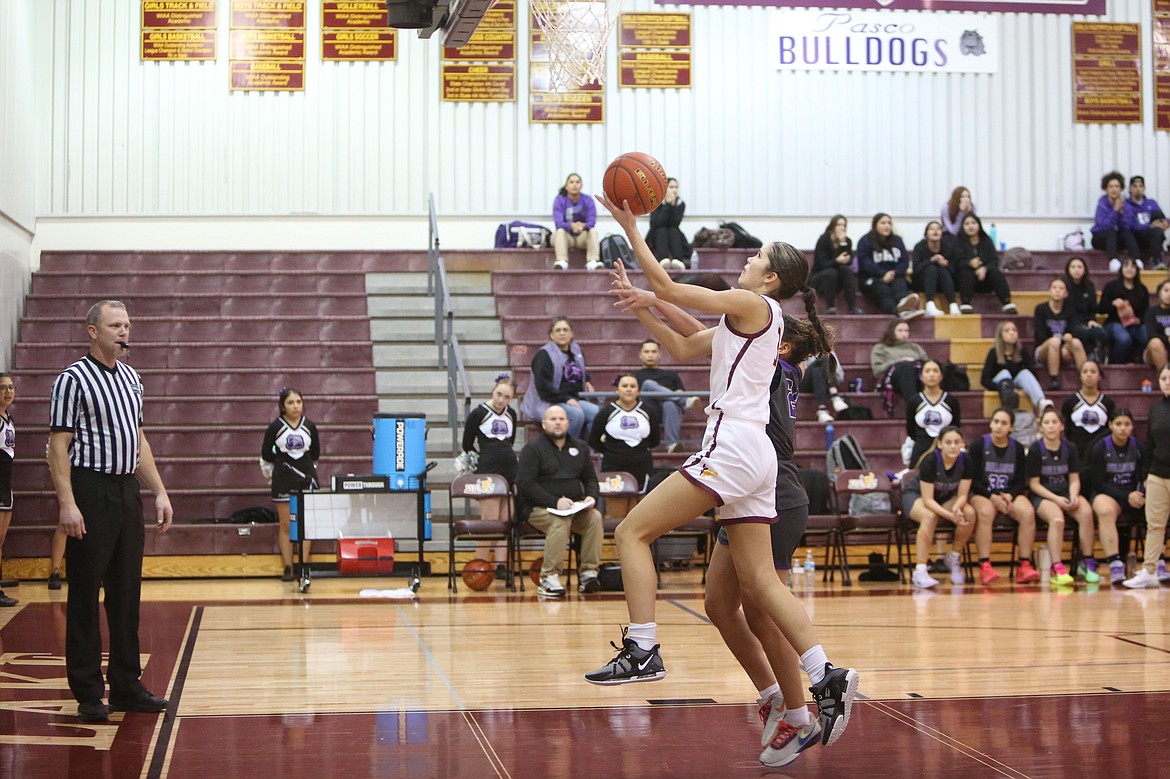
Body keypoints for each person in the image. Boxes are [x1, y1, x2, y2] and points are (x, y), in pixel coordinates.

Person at [589, 192, 858, 751]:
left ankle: (642, 647)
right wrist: (642, 304)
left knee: (631, 531)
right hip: (758, 457)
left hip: (733, 445)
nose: (747, 259)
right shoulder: (756, 321)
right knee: (758, 585)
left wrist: (631, 229)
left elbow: (671, 288)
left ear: (771, 279)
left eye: (757, 256)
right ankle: (825, 674)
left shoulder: (752, 303)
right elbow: (685, 344)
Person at [47, 300, 173, 724]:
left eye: (127, 325)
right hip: (90, 488)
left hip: (125, 491)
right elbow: (57, 447)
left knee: (126, 592)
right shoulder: (72, 379)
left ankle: (126, 684)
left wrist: (158, 491)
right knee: (84, 592)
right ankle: (86, 689)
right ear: (92, 331)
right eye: (115, 325)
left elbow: (139, 440)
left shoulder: (133, 380)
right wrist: (67, 502)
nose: (124, 332)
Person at [515, 404, 603, 597]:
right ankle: (549, 577)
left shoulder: (579, 447)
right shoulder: (533, 448)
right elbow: (525, 484)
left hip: (573, 509)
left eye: (562, 419)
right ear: (544, 424)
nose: (558, 422)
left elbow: (590, 478)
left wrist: (591, 496)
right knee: (559, 520)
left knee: (594, 517)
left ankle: (589, 573)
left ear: (568, 423)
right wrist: (554, 502)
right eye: (553, 419)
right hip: (537, 509)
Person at [968, 408, 1042, 585]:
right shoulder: (979, 445)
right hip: (982, 492)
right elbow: (972, 480)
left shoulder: (1016, 448)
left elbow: (1020, 480)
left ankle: (1024, 564)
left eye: (1004, 423)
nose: (999, 426)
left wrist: (1010, 495)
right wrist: (991, 496)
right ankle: (985, 565)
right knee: (985, 512)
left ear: (1011, 428)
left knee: (1027, 512)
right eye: (996, 422)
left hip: (1008, 493)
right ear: (990, 424)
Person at [1026, 407, 1098, 585]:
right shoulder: (1036, 449)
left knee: (1086, 512)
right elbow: (1034, 484)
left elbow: (1074, 478)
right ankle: (1057, 567)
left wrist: (1073, 495)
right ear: (1041, 427)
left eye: (1054, 422)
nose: (1050, 426)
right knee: (1057, 519)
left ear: (1062, 426)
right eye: (1046, 423)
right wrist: (1056, 499)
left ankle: (1087, 561)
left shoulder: (1070, 448)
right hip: (1044, 495)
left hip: (1065, 492)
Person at [904, 427, 977, 589]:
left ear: (962, 444)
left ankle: (953, 556)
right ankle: (920, 570)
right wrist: (950, 516)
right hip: (917, 496)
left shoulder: (966, 461)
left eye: (957, 442)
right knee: (929, 516)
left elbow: (963, 495)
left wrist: (957, 508)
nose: (953, 446)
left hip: (946, 498)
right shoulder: (930, 461)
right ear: (940, 445)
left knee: (969, 513)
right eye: (948, 442)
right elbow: (928, 500)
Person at [260, 388, 320, 582]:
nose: (295, 406)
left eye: (298, 402)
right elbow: (267, 454)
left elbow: (316, 453)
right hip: (283, 478)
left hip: (307, 477)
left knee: (305, 524)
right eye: (291, 402)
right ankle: (287, 567)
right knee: (286, 525)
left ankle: (303, 566)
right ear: (282, 406)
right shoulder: (275, 427)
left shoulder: (310, 426)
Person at [1086, 408, 1145, 584]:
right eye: (1118, 424)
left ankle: (1157, 562)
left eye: (1127, 424)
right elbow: (1098, 483)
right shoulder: (1100, 448)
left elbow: (1143, 476)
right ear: (1111, 425)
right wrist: (1126, 496)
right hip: (1108, 494)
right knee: (1104, 510)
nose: (1123, 428)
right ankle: (1115, 563)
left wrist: (1139, 493)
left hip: (1133, 494)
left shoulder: (1139, 447)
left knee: (1157, 506)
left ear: (1132, 426)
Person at [1125, 363, 1170, 588]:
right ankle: (1149, 570)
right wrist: (1146, 475)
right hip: (1158, 474)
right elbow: (1149, 445)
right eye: (1163, 378)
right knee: (1154, 524)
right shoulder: (1156, 409)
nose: (1167, 382)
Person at [518, 316, 598, 439]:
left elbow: (577, 370)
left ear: (571, 333)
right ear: (551, 335)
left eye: (565, 330)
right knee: (576, 415)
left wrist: (587, 380)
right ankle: (564, 448)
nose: (562, 333)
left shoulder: (576, 350)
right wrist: (565, 399)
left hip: (572, 399)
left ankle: (586, 450)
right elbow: (543, 387)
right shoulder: (544, 355)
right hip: (547, 401)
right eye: (558, 330)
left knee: (596, 413)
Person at [588, 373, 661, 495]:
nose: (628, 389)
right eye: (624, 386)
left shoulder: (648, 411)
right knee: (615, 512)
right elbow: (593, 440)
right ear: (617, 390)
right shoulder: (606, 412)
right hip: (613, 466)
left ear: (638, 390)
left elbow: (655, 440)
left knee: (640, 510)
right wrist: (612, 451)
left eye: (632, 386)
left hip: (642, 466)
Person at [460, 375, 518, 521]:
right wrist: (482, 462)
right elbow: (467, 444)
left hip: (510, 470)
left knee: (506, 526)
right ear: (493, 390)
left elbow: (510, 441)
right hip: (488, 470)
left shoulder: (511, 414)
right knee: (490, 525)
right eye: (499, 394)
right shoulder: (478, 414)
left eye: (507, 397)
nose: (501, 400)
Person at [632, 339, 697, 454]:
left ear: (659, 355)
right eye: (646, 352)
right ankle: (685, 401)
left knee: (670, 404)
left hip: (670, 412)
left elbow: (680, 391)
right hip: (647, 409)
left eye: (653, 352)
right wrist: (680, 396)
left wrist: (679, 394)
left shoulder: (671, 375)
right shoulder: (634, 376)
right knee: (648, 383)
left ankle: (671, 444)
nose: (650, 355)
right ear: (640, 355)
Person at [856, 213, 921, 320]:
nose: (887, 226)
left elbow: (904, 261)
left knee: (900, 285)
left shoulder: (897, 240)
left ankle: (905, 306)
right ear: (875, 225)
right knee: (883, 290)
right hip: (872, 278)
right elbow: (864, 263)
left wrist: (894, 273)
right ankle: (898, 311)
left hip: (895, 276)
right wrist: (882, 274)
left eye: (889, 223)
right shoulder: (865, 241)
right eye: (883, 223)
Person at [980, 320, 1050, 412]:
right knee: (1005, 373)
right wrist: (1004, 387)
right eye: (1007, 330)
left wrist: (1019, 388)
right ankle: (1009, 403)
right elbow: (984, 380)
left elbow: (1032, 374)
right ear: (1000, 335)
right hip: (1000, 385)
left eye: (1014, 330)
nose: (1012, 333)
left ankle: (1041, 402)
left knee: (1025, 373)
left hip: (1015, 385)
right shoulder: (994, 352)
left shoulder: (1022, 351)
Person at [953, 214, 1016, 314]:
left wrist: (985, 268)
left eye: (973, 223)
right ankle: (965, 303)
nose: (970, 226)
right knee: (965, 271)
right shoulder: (957, 241)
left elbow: (994, 260)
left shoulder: (986, 240)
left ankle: (1006, 303)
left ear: (979, 225)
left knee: (995, 272)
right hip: (964, 281)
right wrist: (969, 263)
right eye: (967, 224)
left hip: (984, 279)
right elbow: (956, 261)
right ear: (962, 227)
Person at [1033, 277, 1088, 391]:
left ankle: (1086, 377)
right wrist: (1060, 340)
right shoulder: (1041, 309)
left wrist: (1067, 341)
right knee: (1055, 342)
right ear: (1049, 291)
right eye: (1054, 288)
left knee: (1076, 342)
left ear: (1066, 293)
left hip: (1063, 349)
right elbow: (1039, 337)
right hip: (1044, 349)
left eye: (1061, 288)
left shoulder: (1070, 310)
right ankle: (1054, 379)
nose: (1057, 291)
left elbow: (1073, 331)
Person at [905, 360, 962, 469]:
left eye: (935, 371)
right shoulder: (914, 401)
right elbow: (910, 430)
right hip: (921, 447)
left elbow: (956, 427)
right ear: (921, 377)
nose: (931, 374)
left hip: (946, 448)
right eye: (927, 371)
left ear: (941, 376)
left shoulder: (951, 401)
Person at [1060, 360, 1114, 468]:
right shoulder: (1070, 402)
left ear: (1099, 376)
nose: (1089, 375)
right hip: (1077, 453)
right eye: (1085, 372)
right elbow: (1066, 429)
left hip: (1100, 454)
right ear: (1080, 376)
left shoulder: (1107, 403)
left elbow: (1111, 429)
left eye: (1093, 371)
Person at [870, 319, 929, 416]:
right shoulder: (881, 348)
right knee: (907, 367)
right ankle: (915, 405)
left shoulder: (915, 347)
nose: (904, 334)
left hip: (917, 376)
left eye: (906, 331)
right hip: (893, 378)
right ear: (892, 332)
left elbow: (927, 363)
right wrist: (900, 361)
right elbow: (877, 371)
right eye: (900, 330)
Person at [1097, 258, 1149, 364]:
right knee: (1124, 339)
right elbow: (1101, 309)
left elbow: (1146, 311)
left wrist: (1139, 320)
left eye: (1133, 266)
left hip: (1136, 324)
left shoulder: (1142, 289)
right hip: (1114, 322)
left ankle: (1141, 362)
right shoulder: (1111, 286)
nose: (1129, 269)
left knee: (1147, 336)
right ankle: (1114, 364)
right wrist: (1113, 304)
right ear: (1121, 269)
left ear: (1137, 270)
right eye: (1126, 266)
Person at [1060, 256, 1109, 364]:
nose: (1076, 270)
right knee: (1082, 332)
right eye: (1073, 267)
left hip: (1086, 321)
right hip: (1070, 322)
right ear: (1068, 269)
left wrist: (1092, 320)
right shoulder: (1063, 286)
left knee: (1103, 333)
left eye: (1079, 267)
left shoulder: (1089, 286)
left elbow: (1093, 308)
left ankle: (1100, 356)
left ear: (1085, 269)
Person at [810, 215, 860, 315]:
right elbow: (820, 263)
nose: (842, 227)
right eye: (839, 225)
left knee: (846, 270)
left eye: (844, 225)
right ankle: (830, 306)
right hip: (820, 278)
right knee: (831, 272)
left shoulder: (847, 241)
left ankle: (852, 306)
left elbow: (846, 261)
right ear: (833, 226)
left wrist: (842, 244)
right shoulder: (824, 239)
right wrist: (836, 261)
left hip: (837, 280)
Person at [1091, 171, 1141, 270]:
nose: (1114, 189)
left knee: (1126, 233)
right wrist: (1115, 211)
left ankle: (1137, 260)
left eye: (1117, 186)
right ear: (1106, 189)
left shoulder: (1126, 204)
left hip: (1117, 239)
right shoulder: (1102, 204)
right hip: (1101, 238)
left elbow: (1127, 226)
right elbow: (1104, 226)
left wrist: (1121, 213)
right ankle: (1113, 261)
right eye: (1111, 186)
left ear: (1121, 189)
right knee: (1110, 232)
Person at [552, 173, 601, 271]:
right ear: (566, 186)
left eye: (577, 182)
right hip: (565, 238)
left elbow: (592, 221)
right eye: (571, 182)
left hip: (581, 237)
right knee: (560, 231)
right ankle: (562, 261)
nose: (574, 185)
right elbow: (558, 223)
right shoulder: (559, 200)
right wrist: (571, 226)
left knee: (593, 231)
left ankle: (592, 261)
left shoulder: (588, 200)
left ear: (581, 185)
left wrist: (583, 226)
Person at [911, 221, 961, 317]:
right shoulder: (920, 247)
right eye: (931, 229)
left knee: (941, 269)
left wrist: (945, 264)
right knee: (932, 268)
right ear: (926, 234)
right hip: (923, 282)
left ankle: (953, 304)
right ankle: (930, 304)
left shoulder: (947, 246)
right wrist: (931, 260)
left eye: (938, 228)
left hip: (944, 282)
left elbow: (954, 270)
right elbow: (916, 270)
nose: (935, 231)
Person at [1124, 175, 1168, 269]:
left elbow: (1161, 217)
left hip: (1152, 235)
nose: (1138, 189)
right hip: (1136, 237)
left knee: (1157, 215)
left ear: (1144, 188)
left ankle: (1157, 261)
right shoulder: (1126, 204)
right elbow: (1129, 225)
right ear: (1130, 189)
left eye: (1140, 186)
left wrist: (1165, 223)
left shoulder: (1151, 203)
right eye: (1135, 186)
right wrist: (1150, 226)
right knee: (1154, 230)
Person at [644, 177, 690, 269]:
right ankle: (663, 259)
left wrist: (672, 206)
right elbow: (656, 223)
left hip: (672, 234)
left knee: (673, 230)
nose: (674, 190)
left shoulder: (680, 204)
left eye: (676, 187)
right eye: (671, 187)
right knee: (662, 230)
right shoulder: (656, 202)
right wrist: (667, 205)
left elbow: (674, 223)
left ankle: (677, 260)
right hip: (657, 235)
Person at [0, 373, 17, 606]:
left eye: (11, 387)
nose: (8, 391)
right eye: (3, 387)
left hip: (6, 486)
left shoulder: (8, 417)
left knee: (1, 540)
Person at [802, 352, 848, 424]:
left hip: (822, 382)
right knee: (825, 358)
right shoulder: (802, 347)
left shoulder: (828, 349)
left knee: (817, 371)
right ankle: (834, 396)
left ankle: (822, 410)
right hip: (804, 381)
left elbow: (839, 374)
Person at [1143, 279, 1170, 370]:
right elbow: (1151, 334)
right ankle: (1166, 375)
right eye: (1166, 290)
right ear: (1159, 293)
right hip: (1157, 349)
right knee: (1155, 342)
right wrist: (1167, 339)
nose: (1169, 294)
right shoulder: (1152, 312)